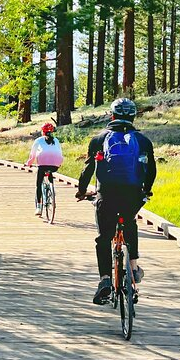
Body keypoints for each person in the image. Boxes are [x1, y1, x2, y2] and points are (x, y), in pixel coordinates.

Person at [75, 98, 156, 305]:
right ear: (133, 117)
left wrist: (82, 191)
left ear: (111, 116)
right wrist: (146, 190)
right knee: (129, 223)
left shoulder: (99, 139)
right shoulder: (143, 141)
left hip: (107, 194)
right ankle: (134, 268)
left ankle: (104, 280)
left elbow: (88, 170)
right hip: (132, 194)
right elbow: (151, 170)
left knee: (104, 238)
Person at [25, 123, 64, 216]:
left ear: (43, 131)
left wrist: (28, 163)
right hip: (55, 164)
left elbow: (33, 155)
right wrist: (59, 164)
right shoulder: (56, 140)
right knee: (50, 171)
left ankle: (39, 207)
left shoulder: (38, 140)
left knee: (39, 184)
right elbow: (59, 152)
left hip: (42, 164)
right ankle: (52, 191)